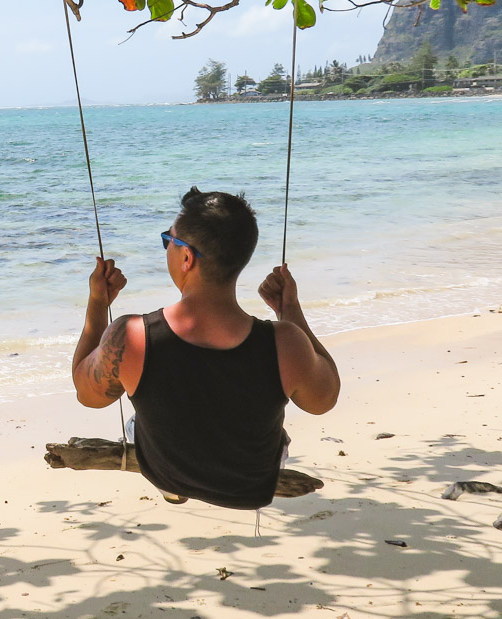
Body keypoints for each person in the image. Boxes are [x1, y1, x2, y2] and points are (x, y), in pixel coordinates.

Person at [70, 188, 340, 509]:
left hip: (167, 474)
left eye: (168, 241)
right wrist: (289, 310)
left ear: (187, 258)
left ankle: (174, 491)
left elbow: (88, 395)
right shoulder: (286, 341)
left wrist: (98, 304)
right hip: (250, 485)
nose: (167, 248)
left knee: (134, 419)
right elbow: (324, 399)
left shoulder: (131, 336)